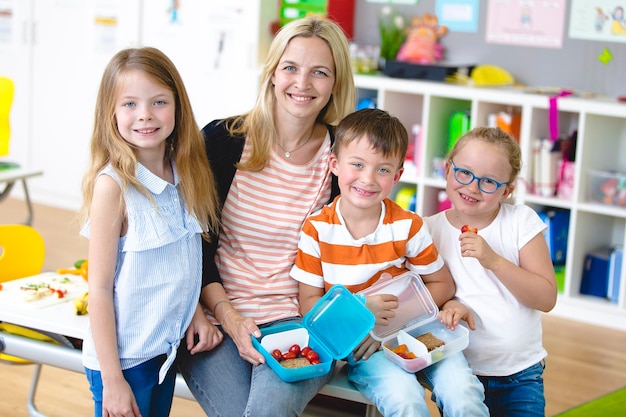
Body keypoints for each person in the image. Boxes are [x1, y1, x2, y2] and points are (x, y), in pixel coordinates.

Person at [175, 17, 356, 417]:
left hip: (304, 323)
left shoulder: (343, 160)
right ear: (272, 73)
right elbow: (193, 245)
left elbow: (355, 249)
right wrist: (229, 317)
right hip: (218, 318)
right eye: (290, 67)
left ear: (335, 84)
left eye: (319, 73)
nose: (302, 83)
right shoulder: (223, 141)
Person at [290, 108, 489, 417]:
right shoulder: (317, 229)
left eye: (383, 170)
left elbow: (442, 284)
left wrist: (395, 318)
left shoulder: (408, 225)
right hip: (366, 347)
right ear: (335, 165)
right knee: (405, 401)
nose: (368, 179)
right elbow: (309, 306)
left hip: (419, 329)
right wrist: (364, 319)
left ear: (397, 176)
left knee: (462, 393)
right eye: (357, 164)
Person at [78, 47, 222, 417]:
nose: (144, 115)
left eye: (158, 102)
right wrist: (112, 379)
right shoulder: (113, 188)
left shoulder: (186, 174)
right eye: (129, 104)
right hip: (124, 361)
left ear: (177, 107)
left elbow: (180, 264)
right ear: (110, 112)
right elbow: (98, 288)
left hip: (164, 350)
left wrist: (195, 315)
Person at [424, 126, 557, 416]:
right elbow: (423, 300)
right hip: (459, 373)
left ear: (507, 190)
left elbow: (546, 298)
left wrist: (493, 260)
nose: (472, 187)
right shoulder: (428, 230)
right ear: (448, 170)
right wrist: (449, 304)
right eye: (464, 173)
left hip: (521, 375)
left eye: (488, 182)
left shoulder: (521, 222)